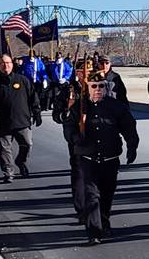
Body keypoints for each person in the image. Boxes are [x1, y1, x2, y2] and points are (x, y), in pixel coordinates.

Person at [64, 69, 138, 245]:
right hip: (88, 159)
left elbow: (129, 126)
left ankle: (104, 221)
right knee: (92, 195)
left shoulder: (116, 107)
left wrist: (132, 146)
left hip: (110, 158)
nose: (97, 89)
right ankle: (93, 232)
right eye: (94, 86)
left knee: (106, 195)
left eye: (101, 86)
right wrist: (75, 137)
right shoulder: (79, 107)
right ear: (88, 87)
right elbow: (69, 127)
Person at [0, 54, 41, 183]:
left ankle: (21, 161)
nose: (5, 65)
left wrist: (37, 113)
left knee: (27, 144)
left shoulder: (22, 80)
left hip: (22, 121)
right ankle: (8, 172)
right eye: (2, 63)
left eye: (8, 63)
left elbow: (33, 97)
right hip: (3, 123)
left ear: (12, 64)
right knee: (5, 150)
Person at [53, 58, 89, 222]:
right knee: (79, 172)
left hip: (96, 138)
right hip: (75, 136)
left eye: (89, 70)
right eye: (83, 71)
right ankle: (81, 209)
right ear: (77, 72)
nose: (86, 74)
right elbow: (57, 115)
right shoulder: (68, 90)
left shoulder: (97, 87)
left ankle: (96, 209)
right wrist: (67, 110)